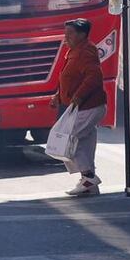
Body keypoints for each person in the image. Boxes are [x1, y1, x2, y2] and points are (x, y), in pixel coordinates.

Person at [49, 18, 107, 196]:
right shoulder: (73, 51)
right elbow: (69, 78)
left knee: (68, 140)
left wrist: (78, 96)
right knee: (84, 144)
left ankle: (89, 177)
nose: (66, 37)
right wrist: (58, 96)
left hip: (88, 106)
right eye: (65, 33)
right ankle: (89, 185)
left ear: (82, 35)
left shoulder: (86, 51)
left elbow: (94, 77)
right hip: (80, 107)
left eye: (70, 33)